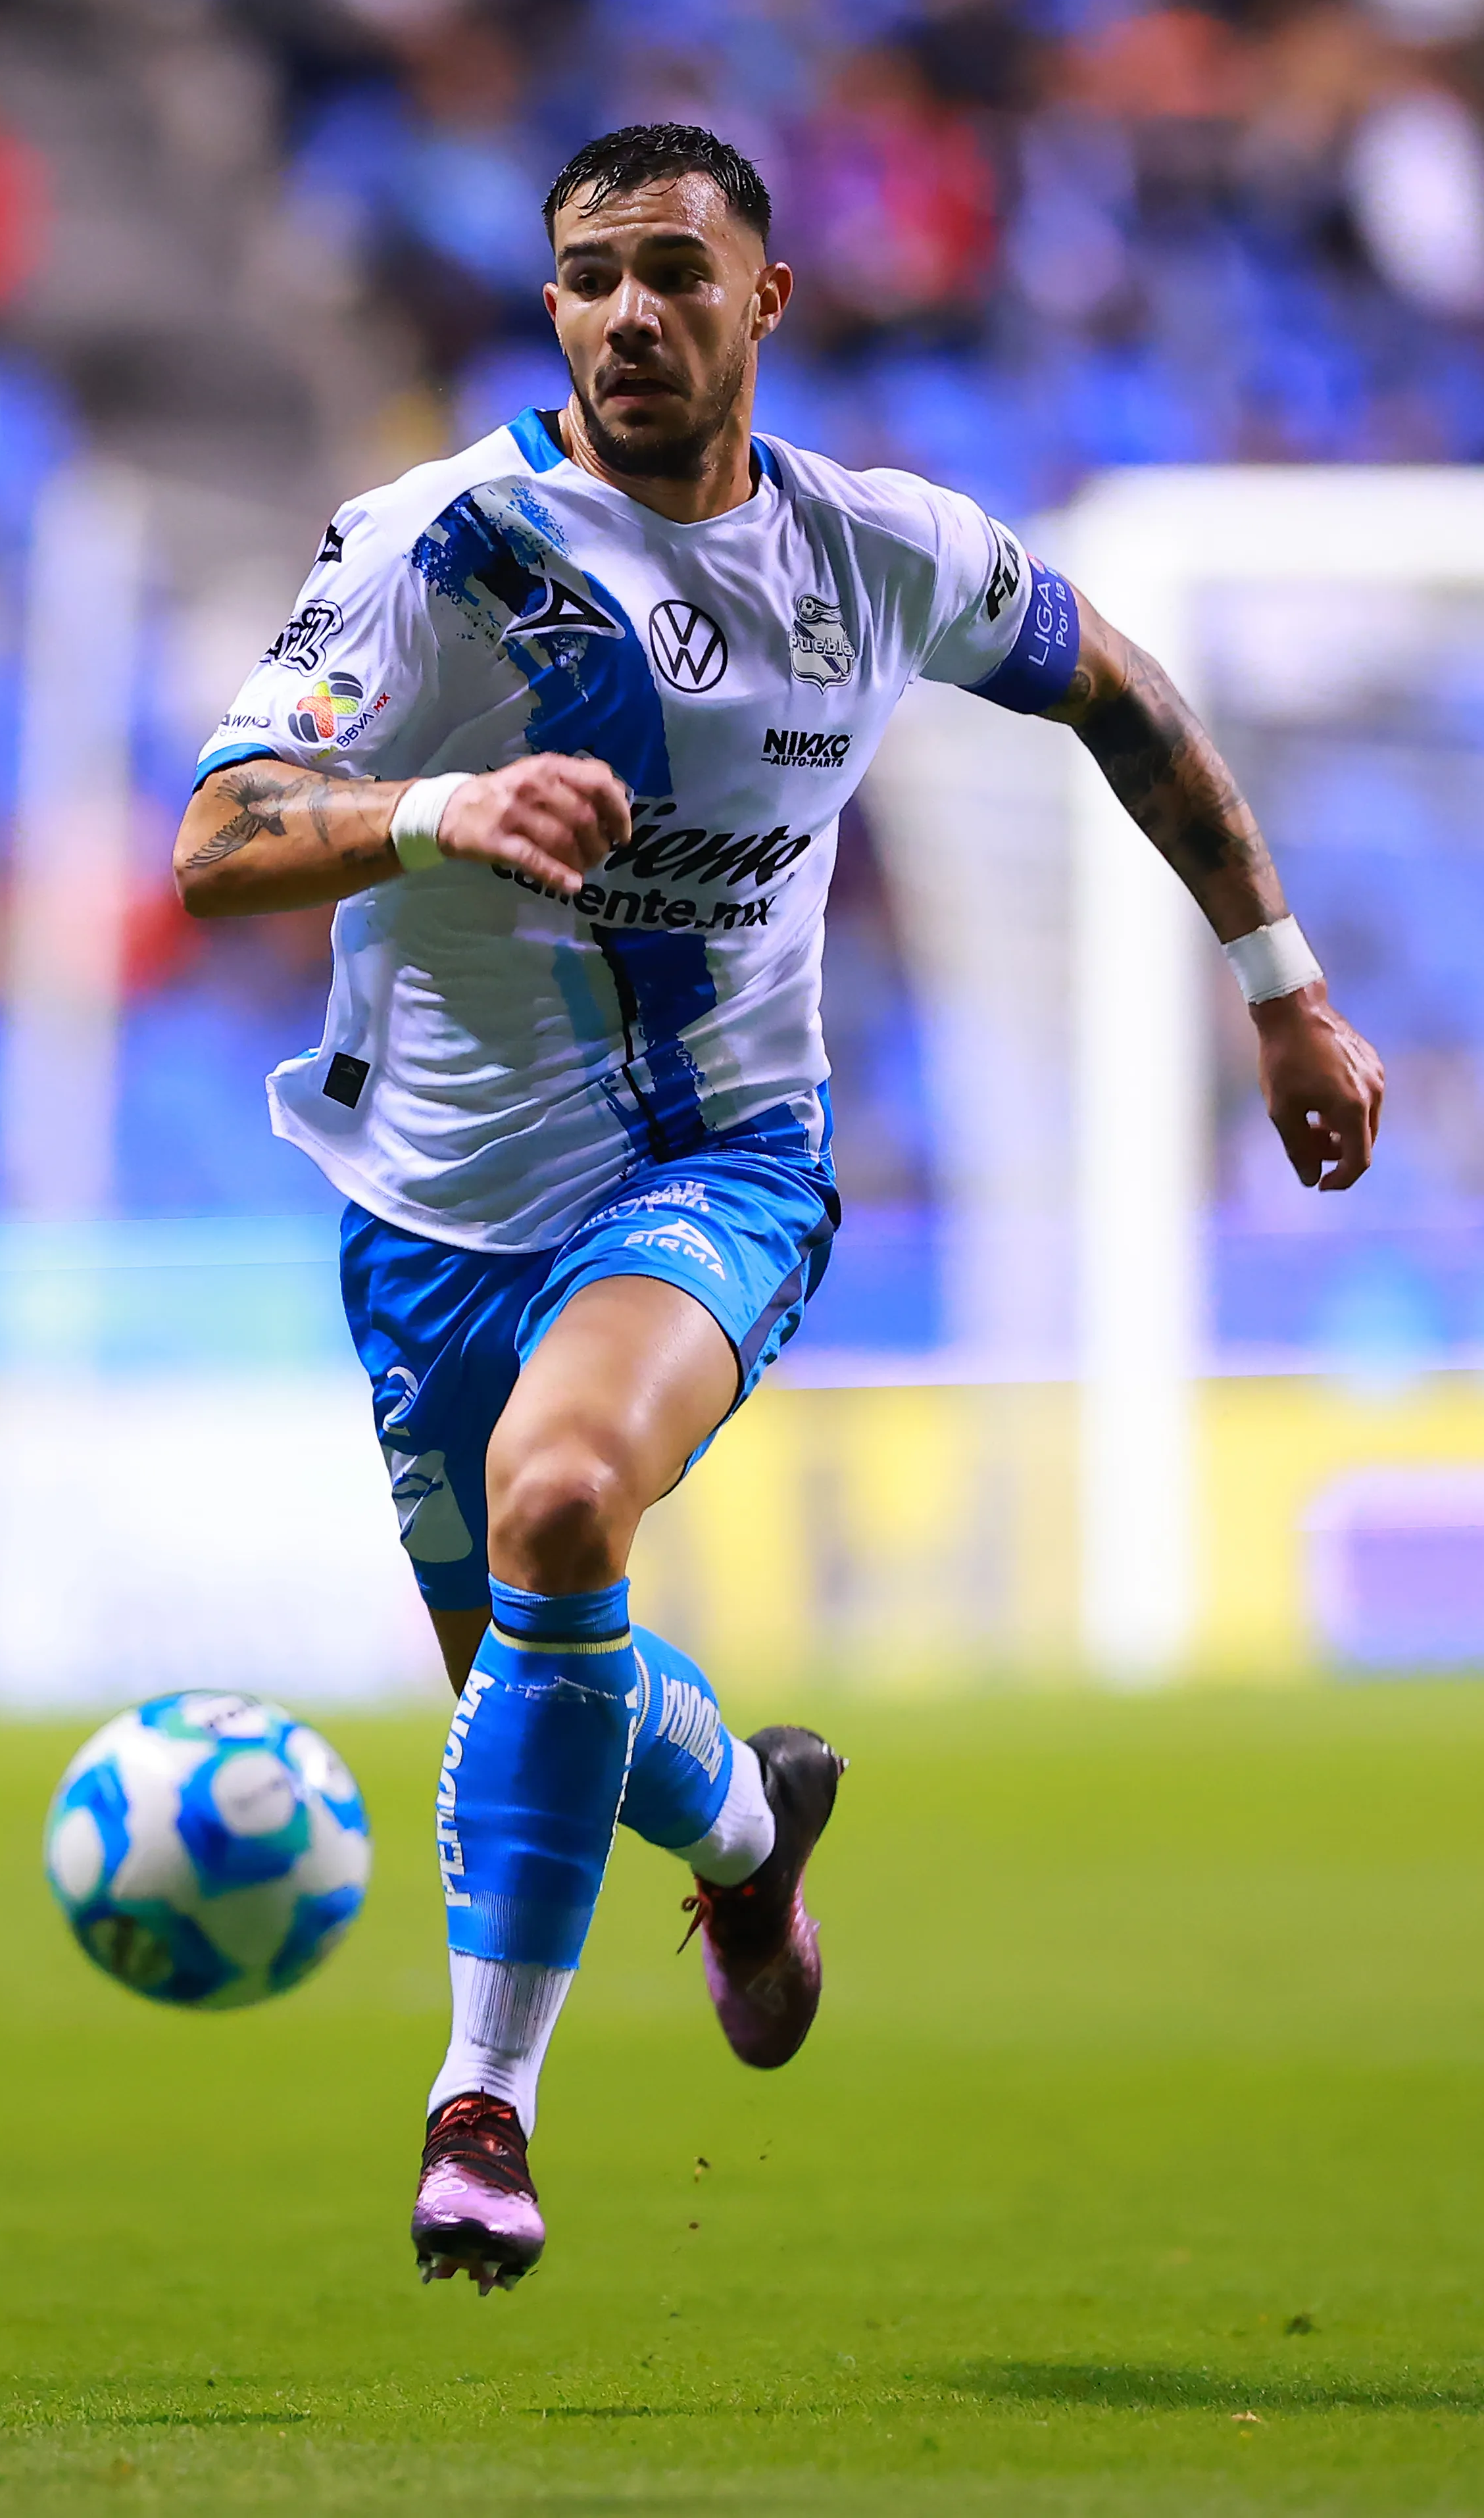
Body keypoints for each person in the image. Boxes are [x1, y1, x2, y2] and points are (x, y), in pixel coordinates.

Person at [173, 122, 1384, 2294]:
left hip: (720, 1164)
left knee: (561, 1515)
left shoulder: (885, 554)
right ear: (549, 309)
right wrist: (442, 808)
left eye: (671, 270)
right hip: (429, 1214)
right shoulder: (439, 544)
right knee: (538, 1671)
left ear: (767, 300)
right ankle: (748, 1830)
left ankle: (484, 2111)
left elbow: (1123, 697)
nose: (629, 313)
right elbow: (223, 838)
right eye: (586, 279)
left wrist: (1282, 996)